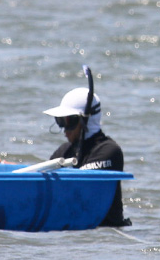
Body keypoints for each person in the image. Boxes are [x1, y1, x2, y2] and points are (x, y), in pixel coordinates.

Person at [44, 86, 130, 227]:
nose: (64, 130)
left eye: (68, 122)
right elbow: (42, 179)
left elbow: (78, 185)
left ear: (85, 120)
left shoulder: (109, 151)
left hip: (105, 234)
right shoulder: (64, 151)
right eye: (60, 122)